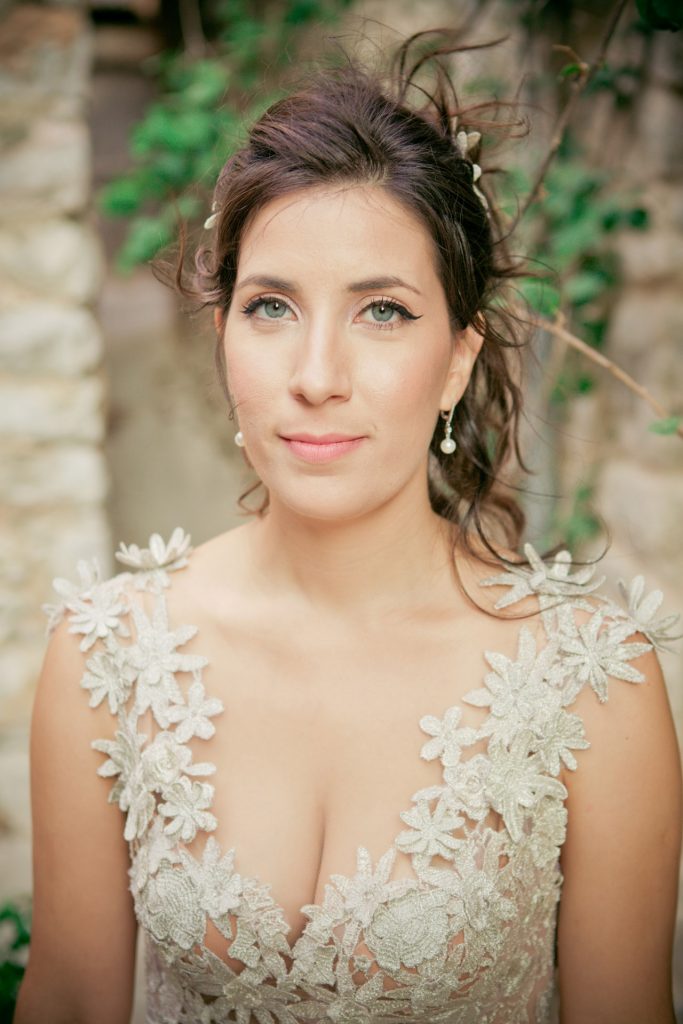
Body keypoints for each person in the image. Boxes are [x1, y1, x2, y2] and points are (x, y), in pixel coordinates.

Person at [15, 32, 682, 1024]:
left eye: (381, 311)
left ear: (457, 359)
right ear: (223, 337)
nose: (315, 375)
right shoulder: (111, 656)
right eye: (272, 306)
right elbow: (68, 997)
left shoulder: (591, 690)